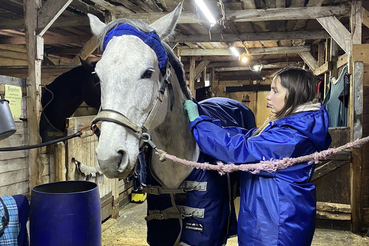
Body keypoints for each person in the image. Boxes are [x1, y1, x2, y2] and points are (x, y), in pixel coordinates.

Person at [184, 67, 332, 246]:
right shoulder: (292, 126)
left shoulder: (290, 137)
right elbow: (251, 136)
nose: (268, 96)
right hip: (272, 215)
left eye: (275, 91)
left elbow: (240, 150)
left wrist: (198, 124)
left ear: (294, 94)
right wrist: (211, 124)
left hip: (275, 225)